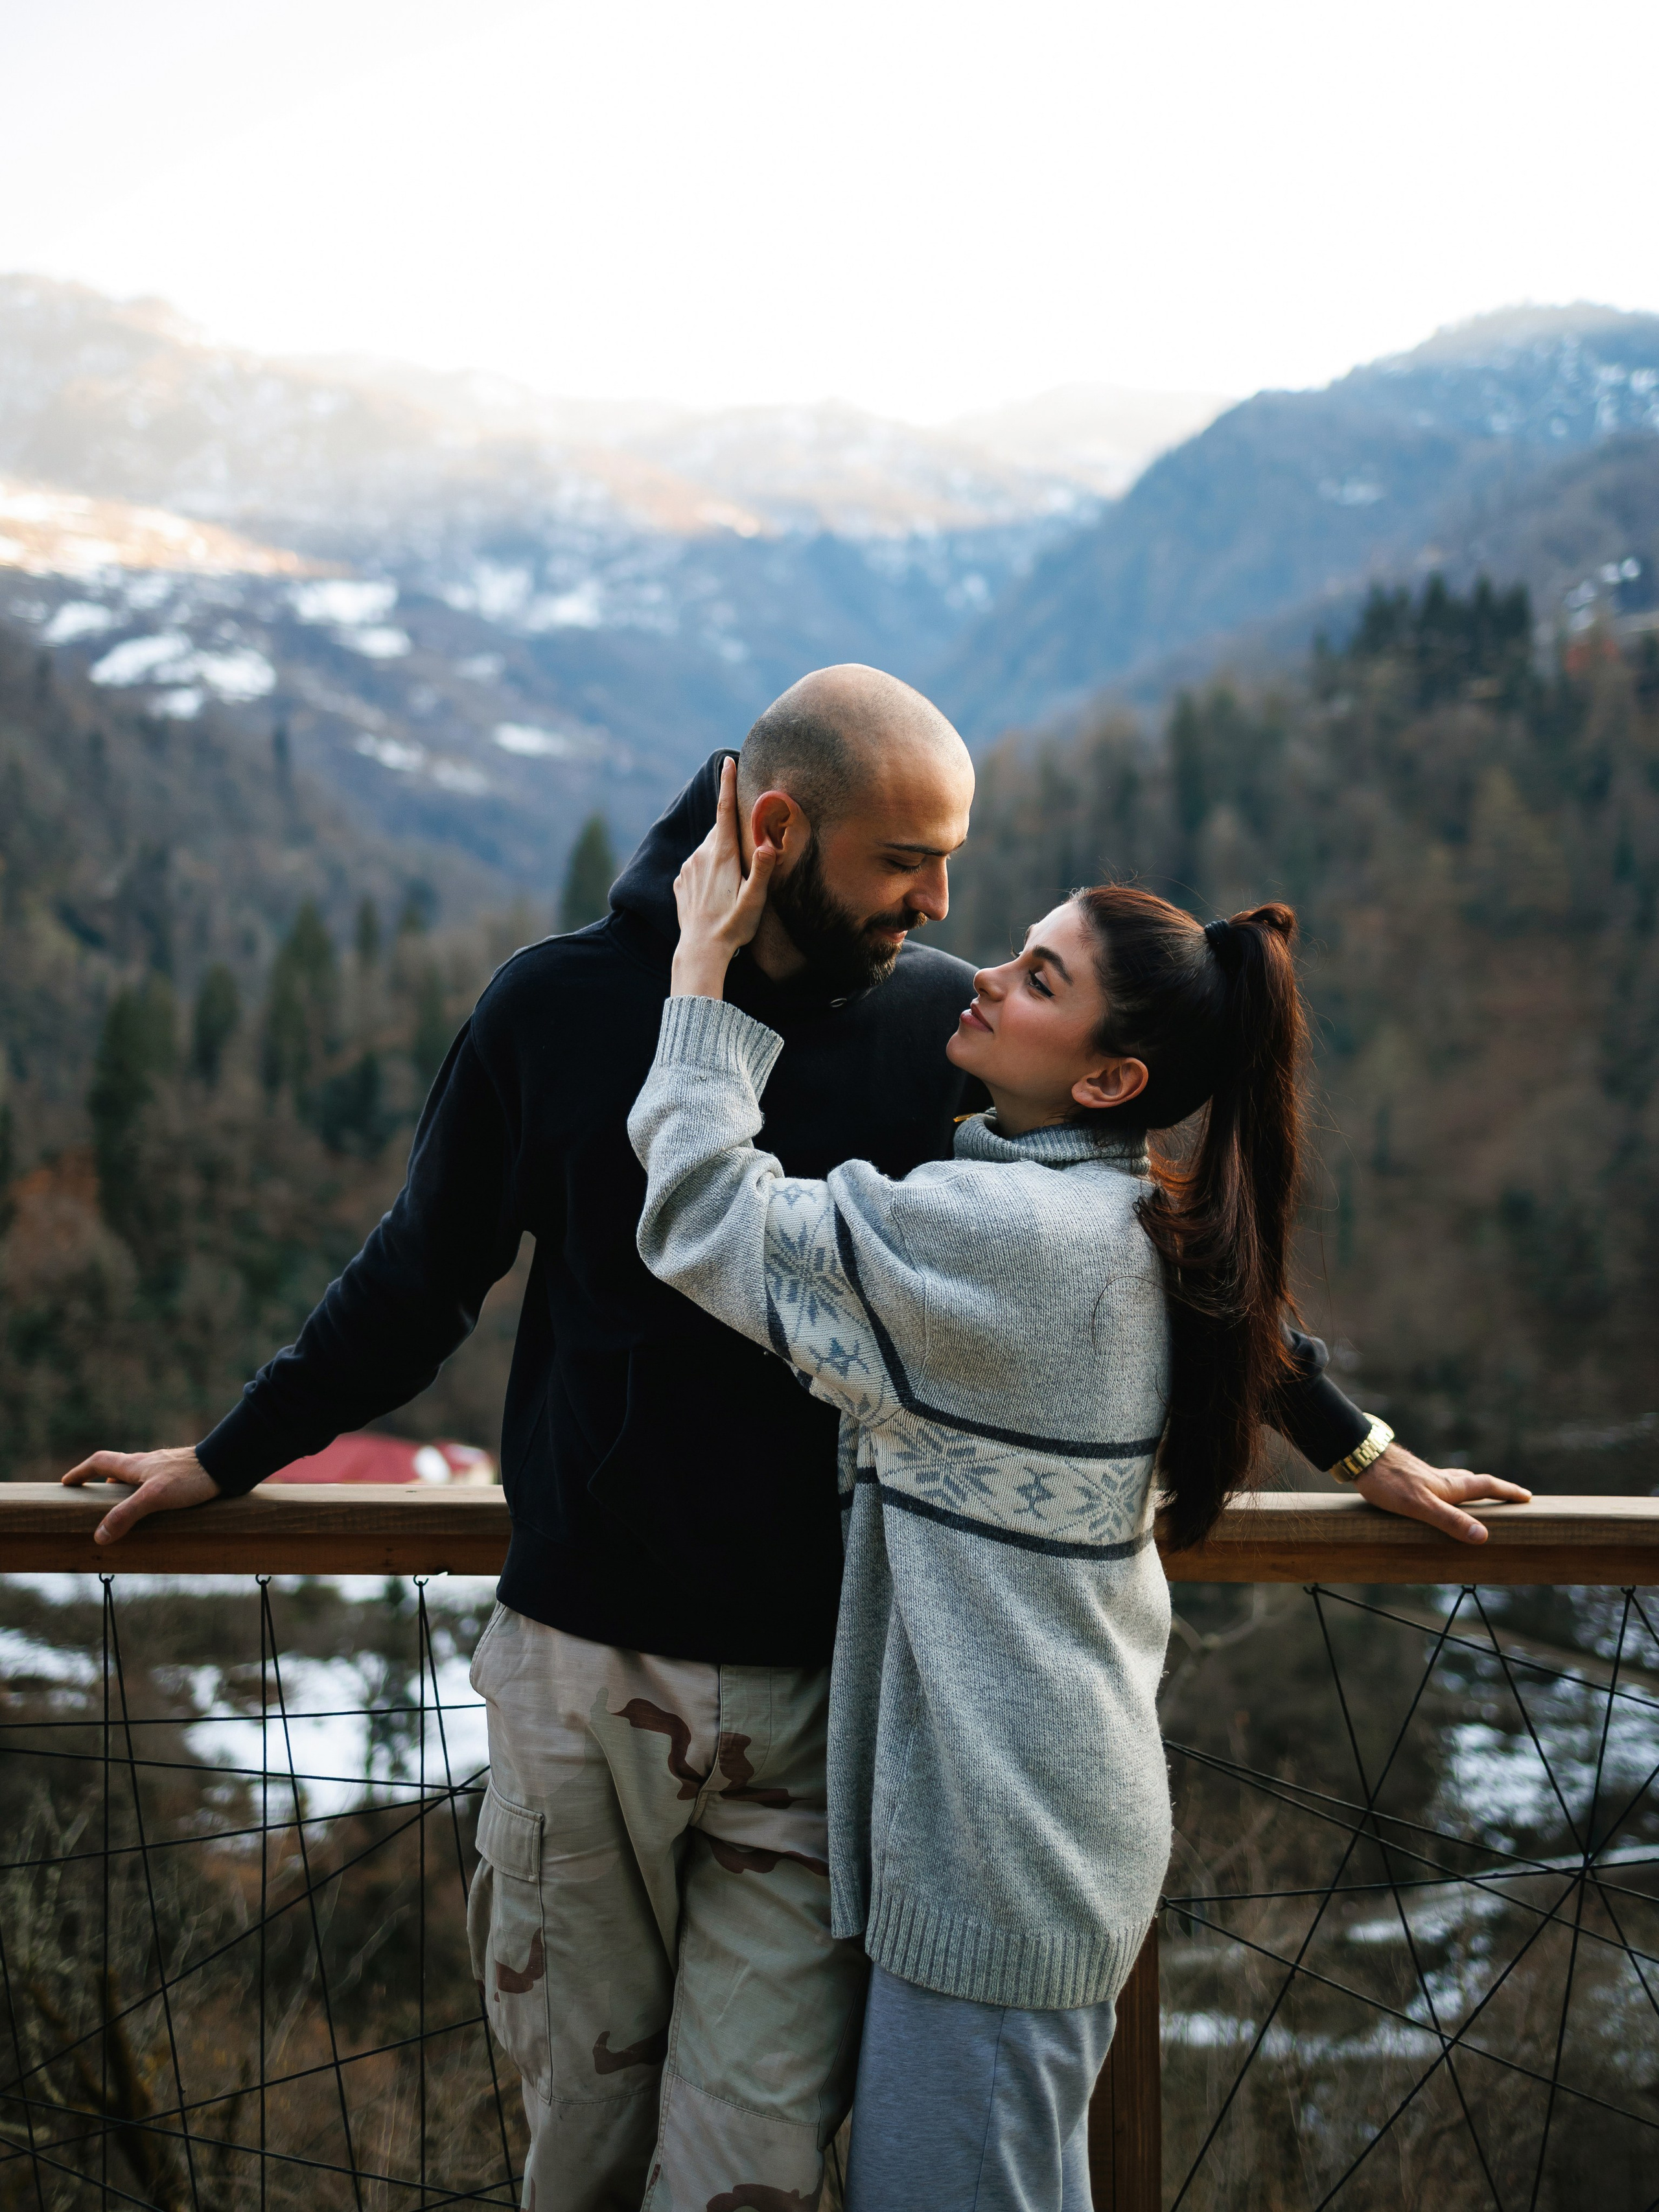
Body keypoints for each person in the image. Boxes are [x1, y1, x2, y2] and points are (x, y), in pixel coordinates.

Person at [63, 668, 1526, 2212]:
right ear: (776, 828)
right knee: (582, 2150)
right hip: (584, 1675)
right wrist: (224, 1458)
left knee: (748, 2170)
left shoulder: (938, 1030)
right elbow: (416, 1283)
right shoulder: (557, 1006)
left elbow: (1152, 1252)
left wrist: (1355, 1444)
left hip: (831, 1711)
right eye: (905, 860)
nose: (940, 900)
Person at [627, 773, 1529, 2207]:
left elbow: (701, 1216)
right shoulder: (1114, 1213)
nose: (982, 974)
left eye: (1035, 977)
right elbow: (1243, 1311)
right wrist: (1361, 1448)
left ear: (1107, 1082)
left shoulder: (1005, 1237)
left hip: (996, 1858)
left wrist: (697, 976)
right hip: (1045, 1834)